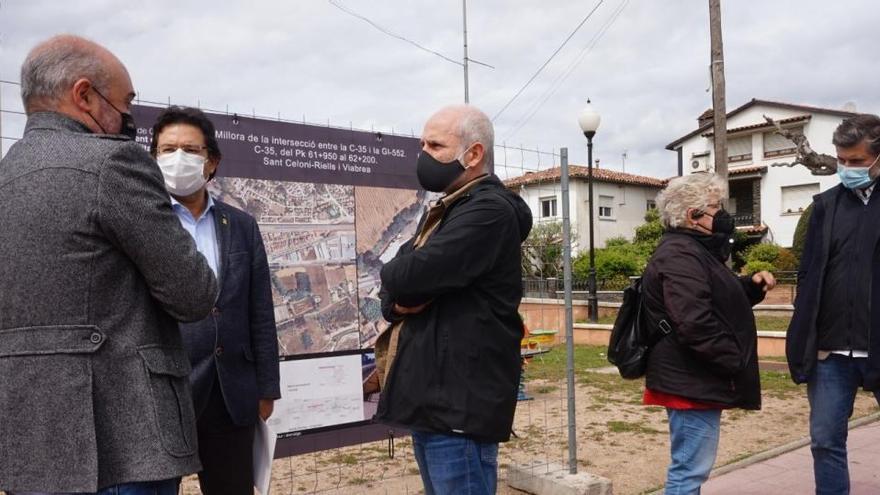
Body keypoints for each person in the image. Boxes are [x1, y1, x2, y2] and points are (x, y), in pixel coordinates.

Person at [0, 36, 218, 494]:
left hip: (29, 445)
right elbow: (193, 292)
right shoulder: (114, 163)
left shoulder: (7, 175)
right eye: (126, 102)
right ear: (84, 96)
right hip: (124, 443)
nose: (128, 118)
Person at [374, 104, 532, 494]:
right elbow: (391, 288)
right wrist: (396, 299)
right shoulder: (450, 211)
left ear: (474, 154)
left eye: (435, 145)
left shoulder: (488, 211)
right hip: (435, 404)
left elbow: (401, 274)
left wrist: (400, 285)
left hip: (459, 406)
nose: (423, 155)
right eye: (422, 144)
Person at [149, 106, 281, 494]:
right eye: (167, 149)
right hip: (162, 395)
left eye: (190, 150)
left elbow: (259, 310)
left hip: (230, 393)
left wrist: (266, 387)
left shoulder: (240, 224)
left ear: (212, 161)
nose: (178, 158)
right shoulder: (141, 222)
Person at [641, 173, 776, 494]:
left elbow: (714, 297)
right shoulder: (680, 255)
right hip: (690, 382)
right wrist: (733, 360)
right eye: (716, 207)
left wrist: (750, 286)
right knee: (688, 472)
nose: (723, 214)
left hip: (694, 378)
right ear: (693, 216)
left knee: (690, 469)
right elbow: (694, 321)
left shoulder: (695, 250)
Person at [786, 114, 880, 495]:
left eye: (856, 161)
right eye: (842, 159)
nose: (846, 168)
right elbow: (808, 274)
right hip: (831, 353)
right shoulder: (824, 206)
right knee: (825, 442)